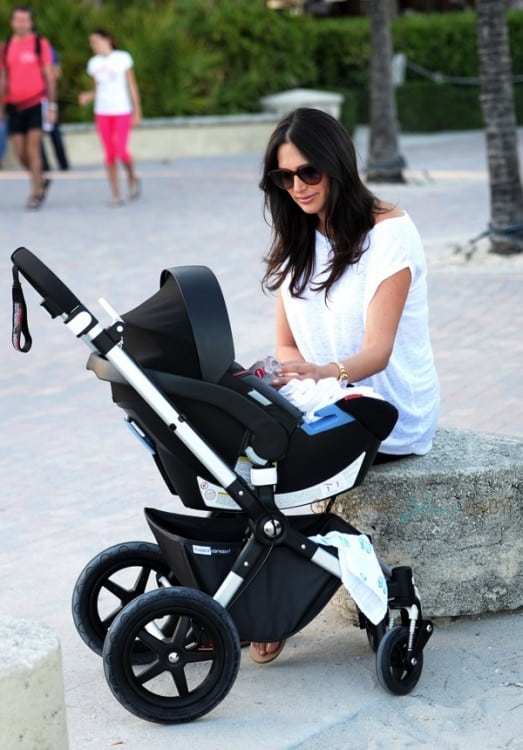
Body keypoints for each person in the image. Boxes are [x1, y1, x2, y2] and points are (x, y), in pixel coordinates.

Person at [251, 107, 440, 663]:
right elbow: (287, 347)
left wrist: (323, 377)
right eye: (283, 179)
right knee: (239, 447)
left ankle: (271, 602)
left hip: (388, 406)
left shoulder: (391, 235)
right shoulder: (299, 237)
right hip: (325, 399)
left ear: (338, 165)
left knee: (277, 465)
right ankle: (244, 598)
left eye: (308, 173)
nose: (297, 188)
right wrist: (298, 379)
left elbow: (377, 352)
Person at [0, 4, 57, 208]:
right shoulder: (6, 47)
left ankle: (36, 192)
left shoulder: (39, 44)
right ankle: (39, 176)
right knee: (20, 152)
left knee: (33, 148)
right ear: (12, 22)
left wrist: (52, 106)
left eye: (25, 20)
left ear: (31, 22)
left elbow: (49, 77)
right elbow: (3, 78)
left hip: (36, 102)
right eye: (18, 20)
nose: (21, 24)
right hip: (14, 106)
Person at [78, 28, 141, 206]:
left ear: (108, 40)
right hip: (102, 112)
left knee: (121, 150)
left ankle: (132, 177)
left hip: (121, 110)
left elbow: (132, 86)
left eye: (96, 41)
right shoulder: (94, 63)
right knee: (109, 155)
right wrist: (88, 96)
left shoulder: (122, 58)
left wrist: (137, 111)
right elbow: (97, 88)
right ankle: (116, 194)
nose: (94, 46)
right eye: (92, 43)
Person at [40, 46, 70, 171]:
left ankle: (63, 164)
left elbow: (57, 73)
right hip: (30, 101)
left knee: (54, 132)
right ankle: (44, 167)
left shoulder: (47, 49)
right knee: (35, 136)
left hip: (46, 96)